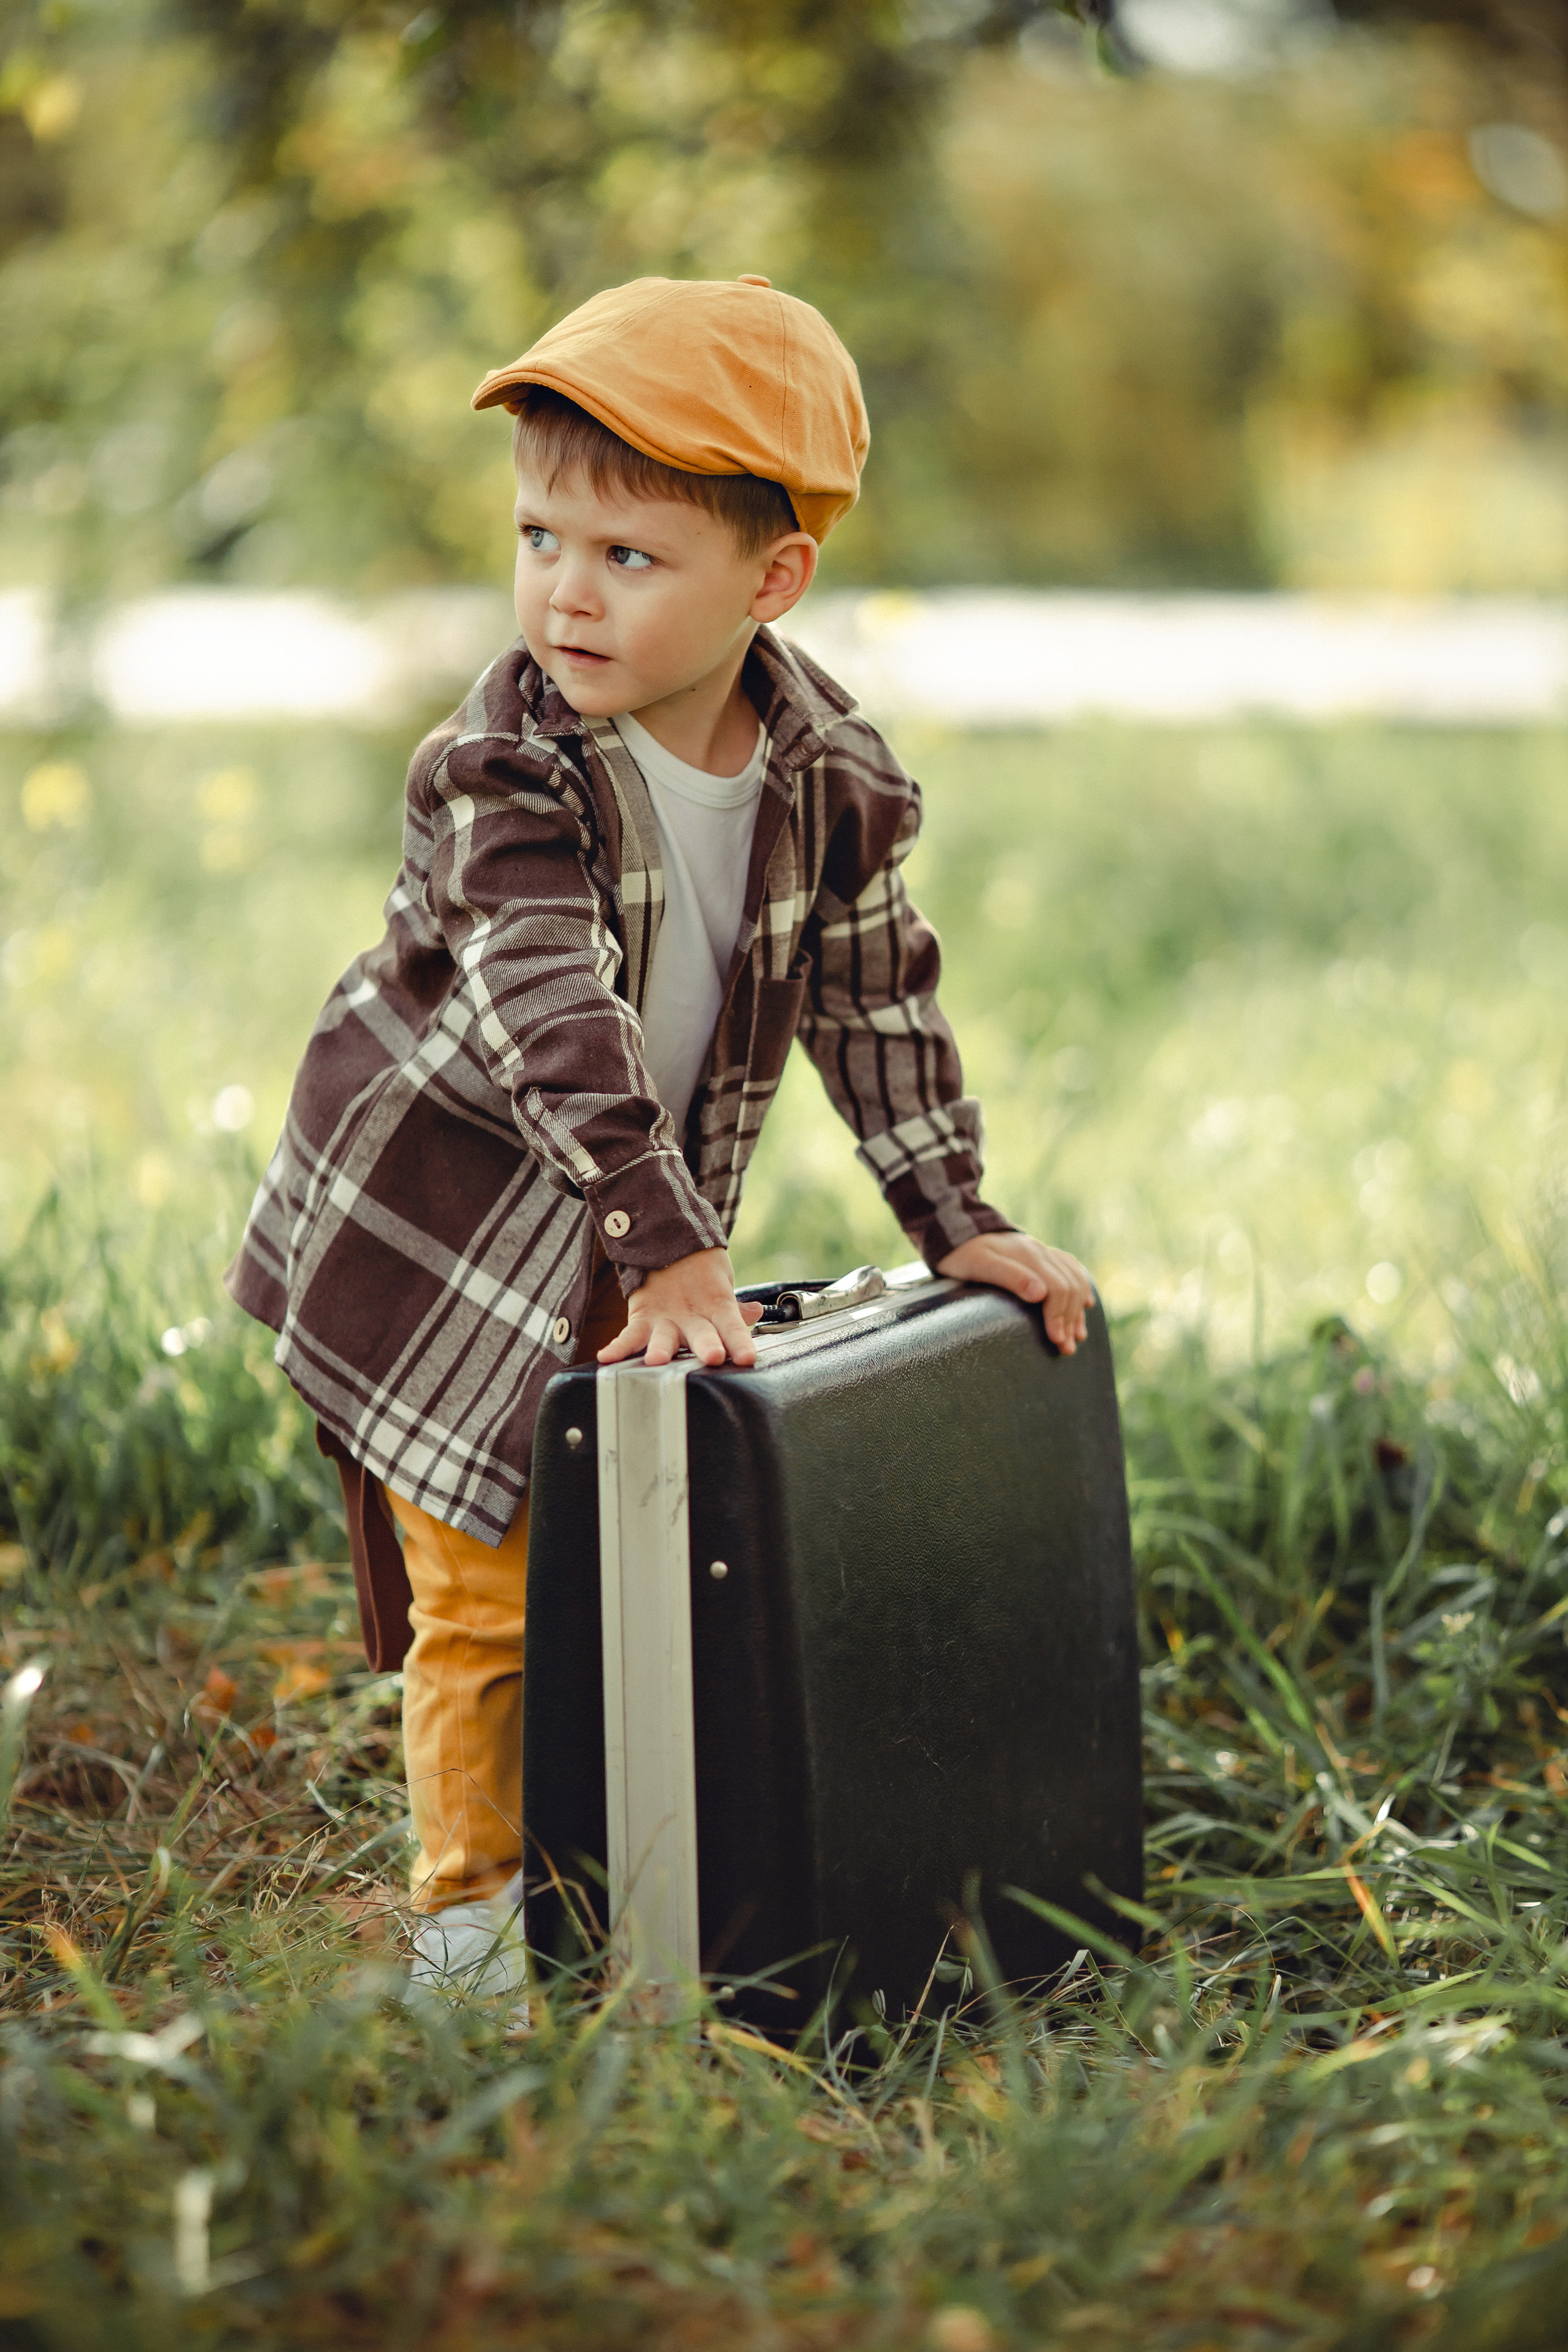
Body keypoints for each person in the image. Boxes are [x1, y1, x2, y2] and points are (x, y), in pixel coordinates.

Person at [225, 273, 1095, 1996]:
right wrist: (673, 1235)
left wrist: (956, 1220)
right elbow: (555, 1014)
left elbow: (877, 1000)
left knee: (620, 1549)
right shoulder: (504, 768)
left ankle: (630, 1847)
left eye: (629, 556)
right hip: (447, 1231)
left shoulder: (831, 770)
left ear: (771, 582)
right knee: (481, 1586)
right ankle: (471, 1927)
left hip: (624, 1228)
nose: (566, 588)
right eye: (542, 535)